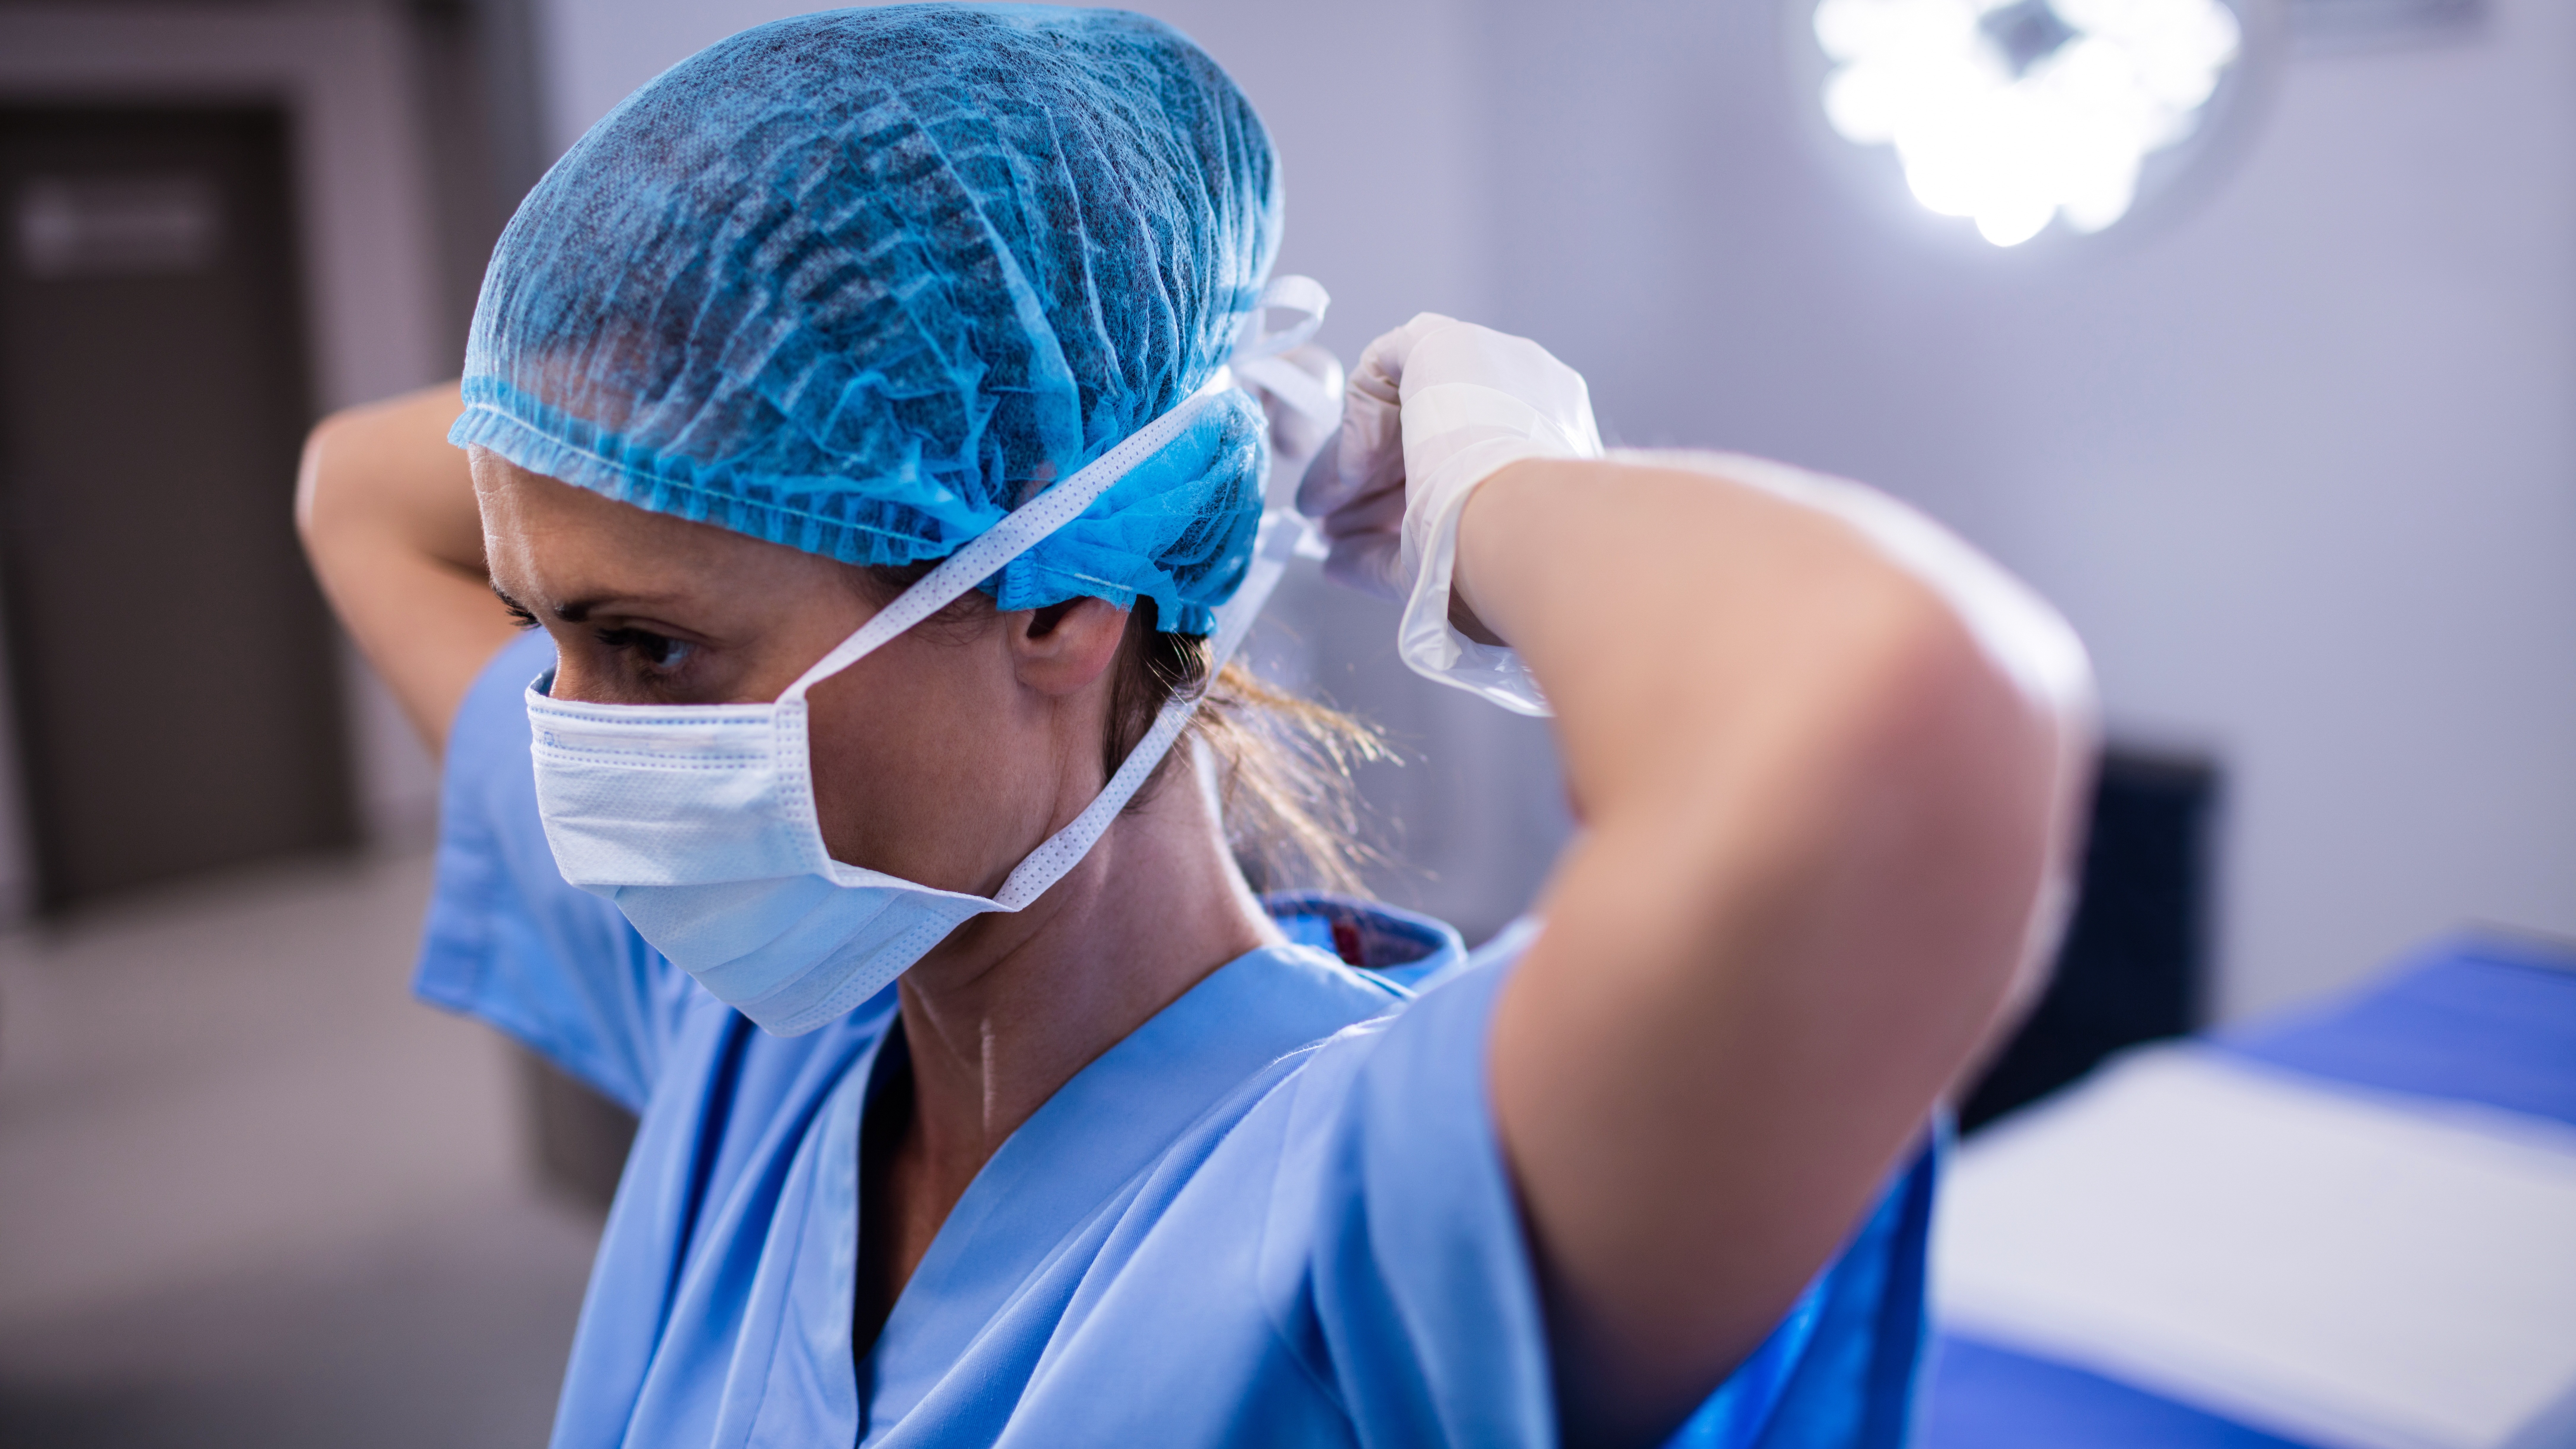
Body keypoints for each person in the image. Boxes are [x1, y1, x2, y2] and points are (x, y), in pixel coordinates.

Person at [296, 7, 2094, 1447]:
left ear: (1061, 607)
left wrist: (1504, 498)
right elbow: (356, 494)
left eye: (650, 650)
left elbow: (1906, 718)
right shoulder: (751, 1045)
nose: (570, 736)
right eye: (547, 634)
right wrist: (732, 398)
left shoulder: (1358, 1212)